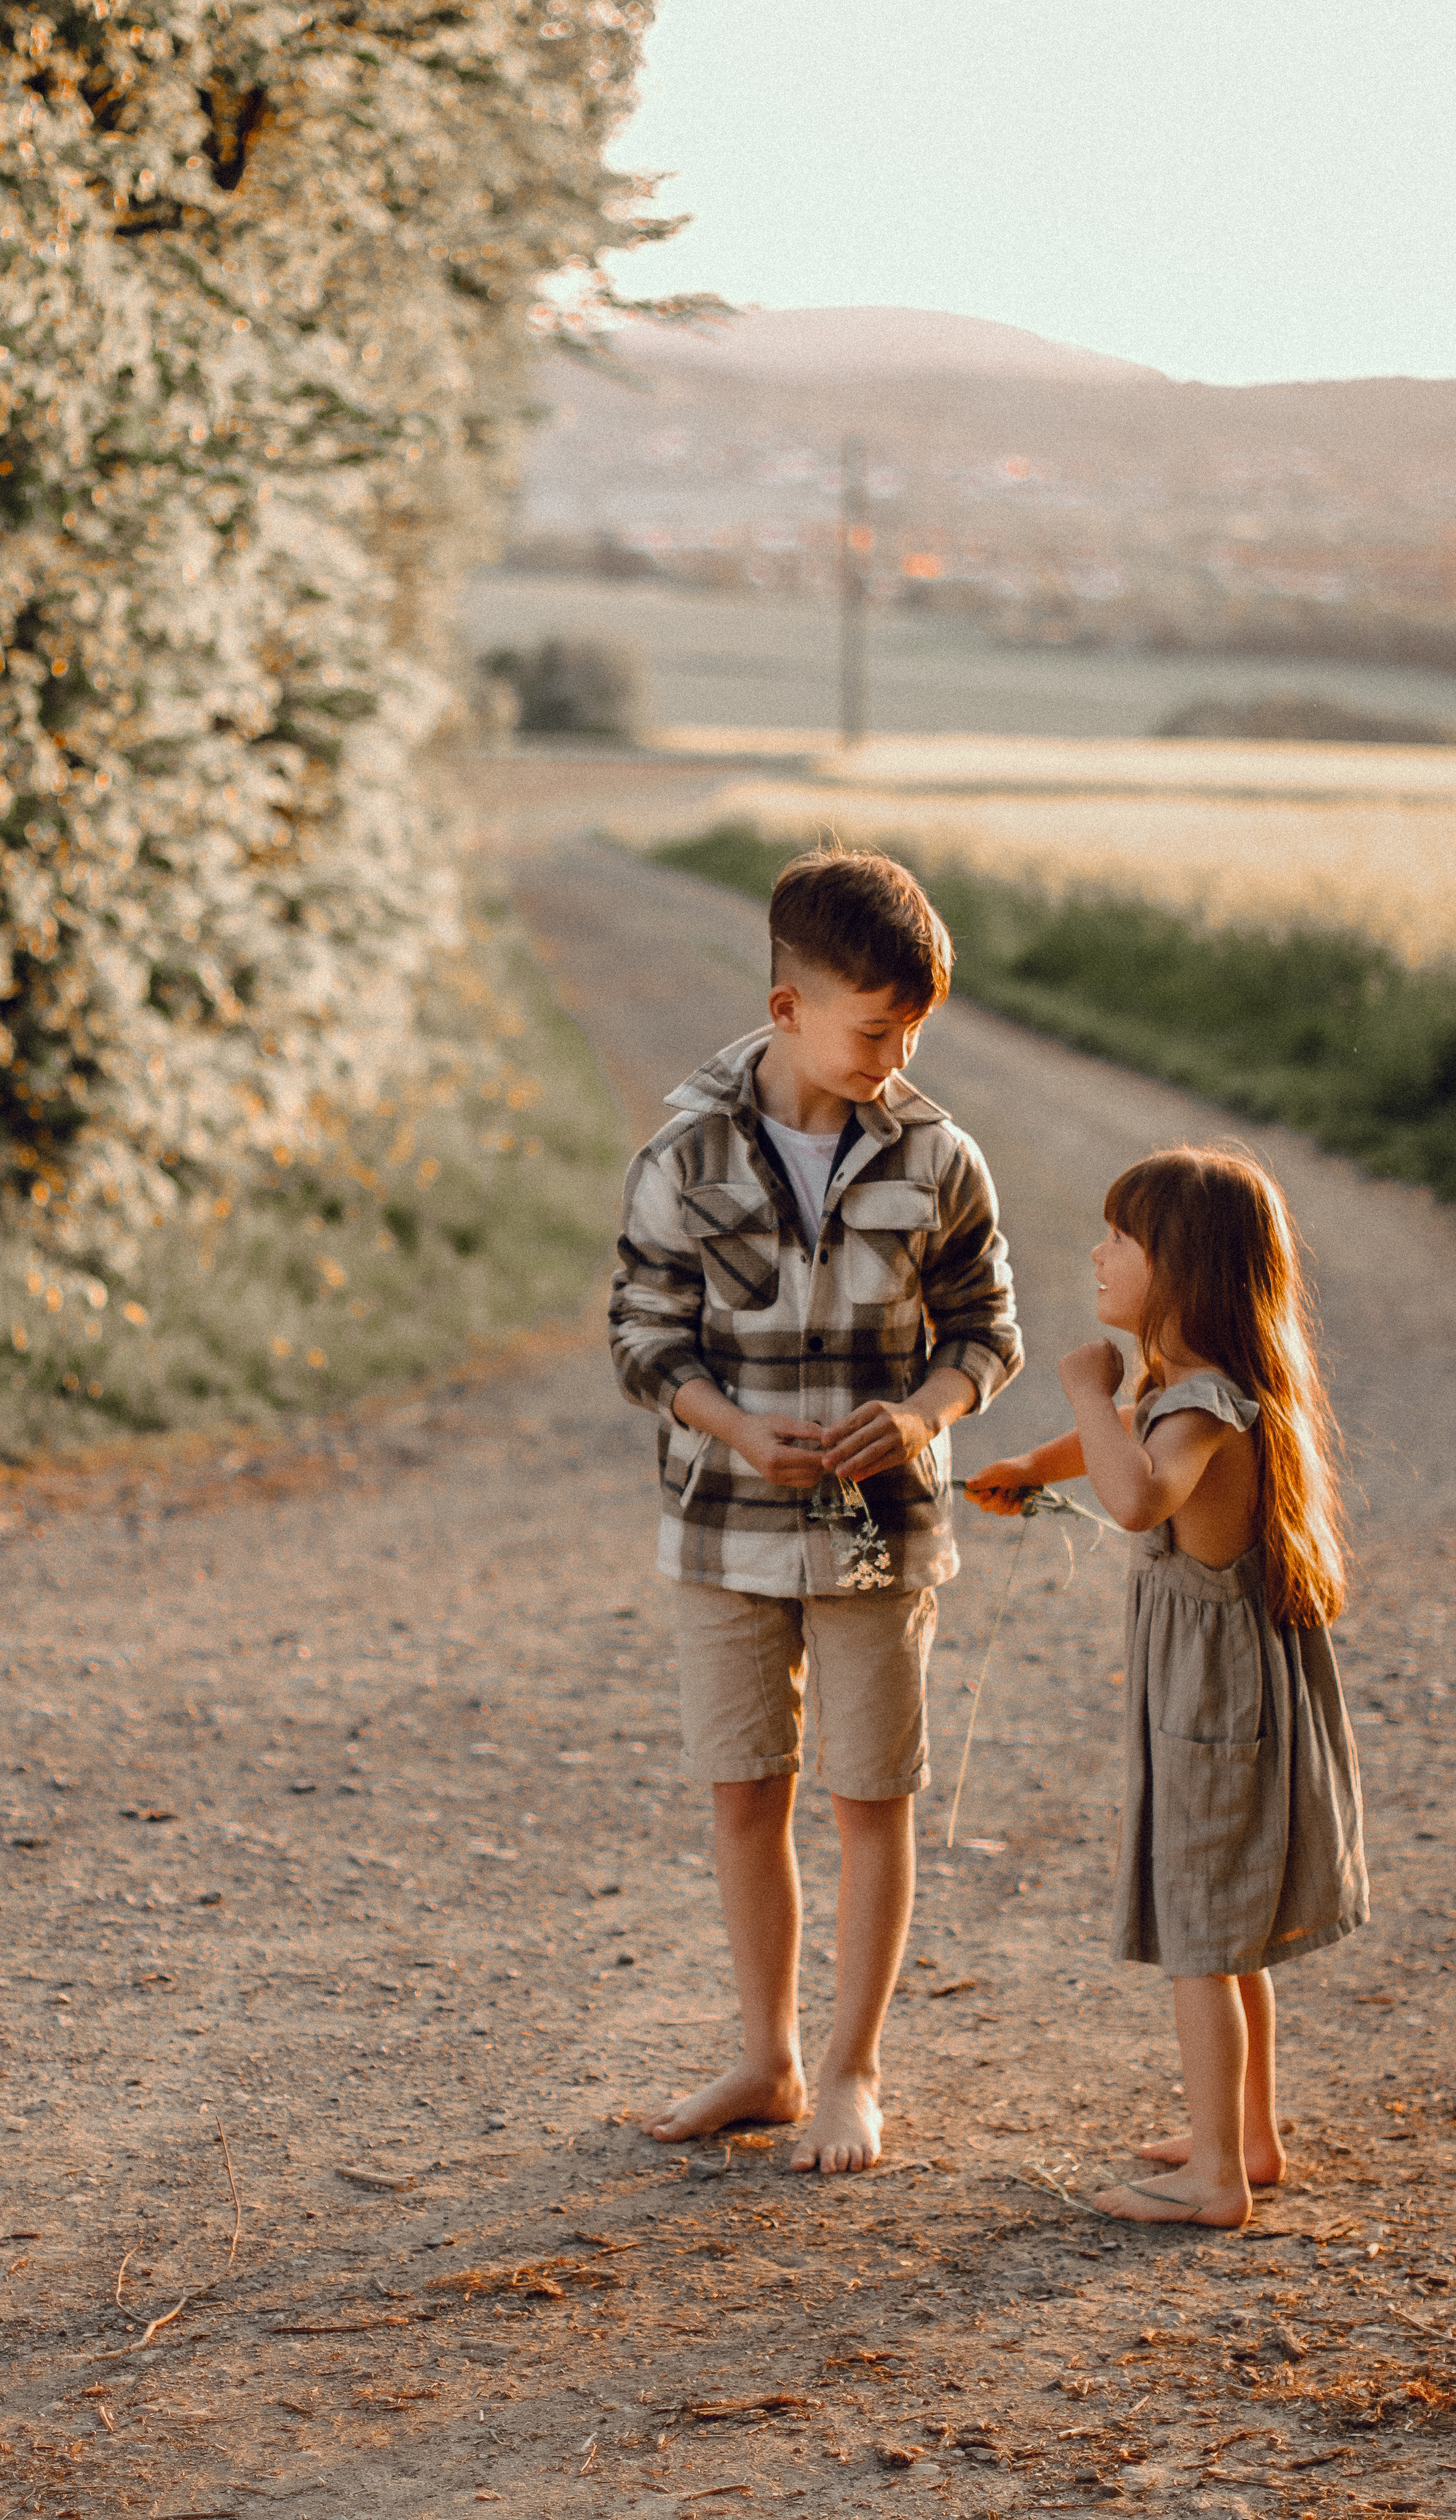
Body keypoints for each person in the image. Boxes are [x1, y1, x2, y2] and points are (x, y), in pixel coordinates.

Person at [609, 846, 1022, 2174]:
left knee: (869, 1801)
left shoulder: (940, 1156)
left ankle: (851, 2072)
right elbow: (641, 1336)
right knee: (745, 1795)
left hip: (876, 1532)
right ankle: (768, 2058)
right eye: (874, 1030)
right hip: (721, 1527)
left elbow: (987, 1333)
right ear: (787, 1008)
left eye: (913, 1034)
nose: (895, 1058)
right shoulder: (681, 1152)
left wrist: (921, 1418)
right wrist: (733, 1426)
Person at [967, 1147, 1367, 2226]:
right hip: (1212, 1705)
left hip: (1216, 1713)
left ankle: (1215, 2180)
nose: (1099, 1255)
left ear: (1184, 1267)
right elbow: (1122, 1448)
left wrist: (1084, 1386)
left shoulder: (1204, 1406)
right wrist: (1034, 1466)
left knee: (1203, 1939)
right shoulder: (1187, 1394)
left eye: (1123, 1239)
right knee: (1227, 1939)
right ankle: (1249, 2137)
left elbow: (1140, 1495)